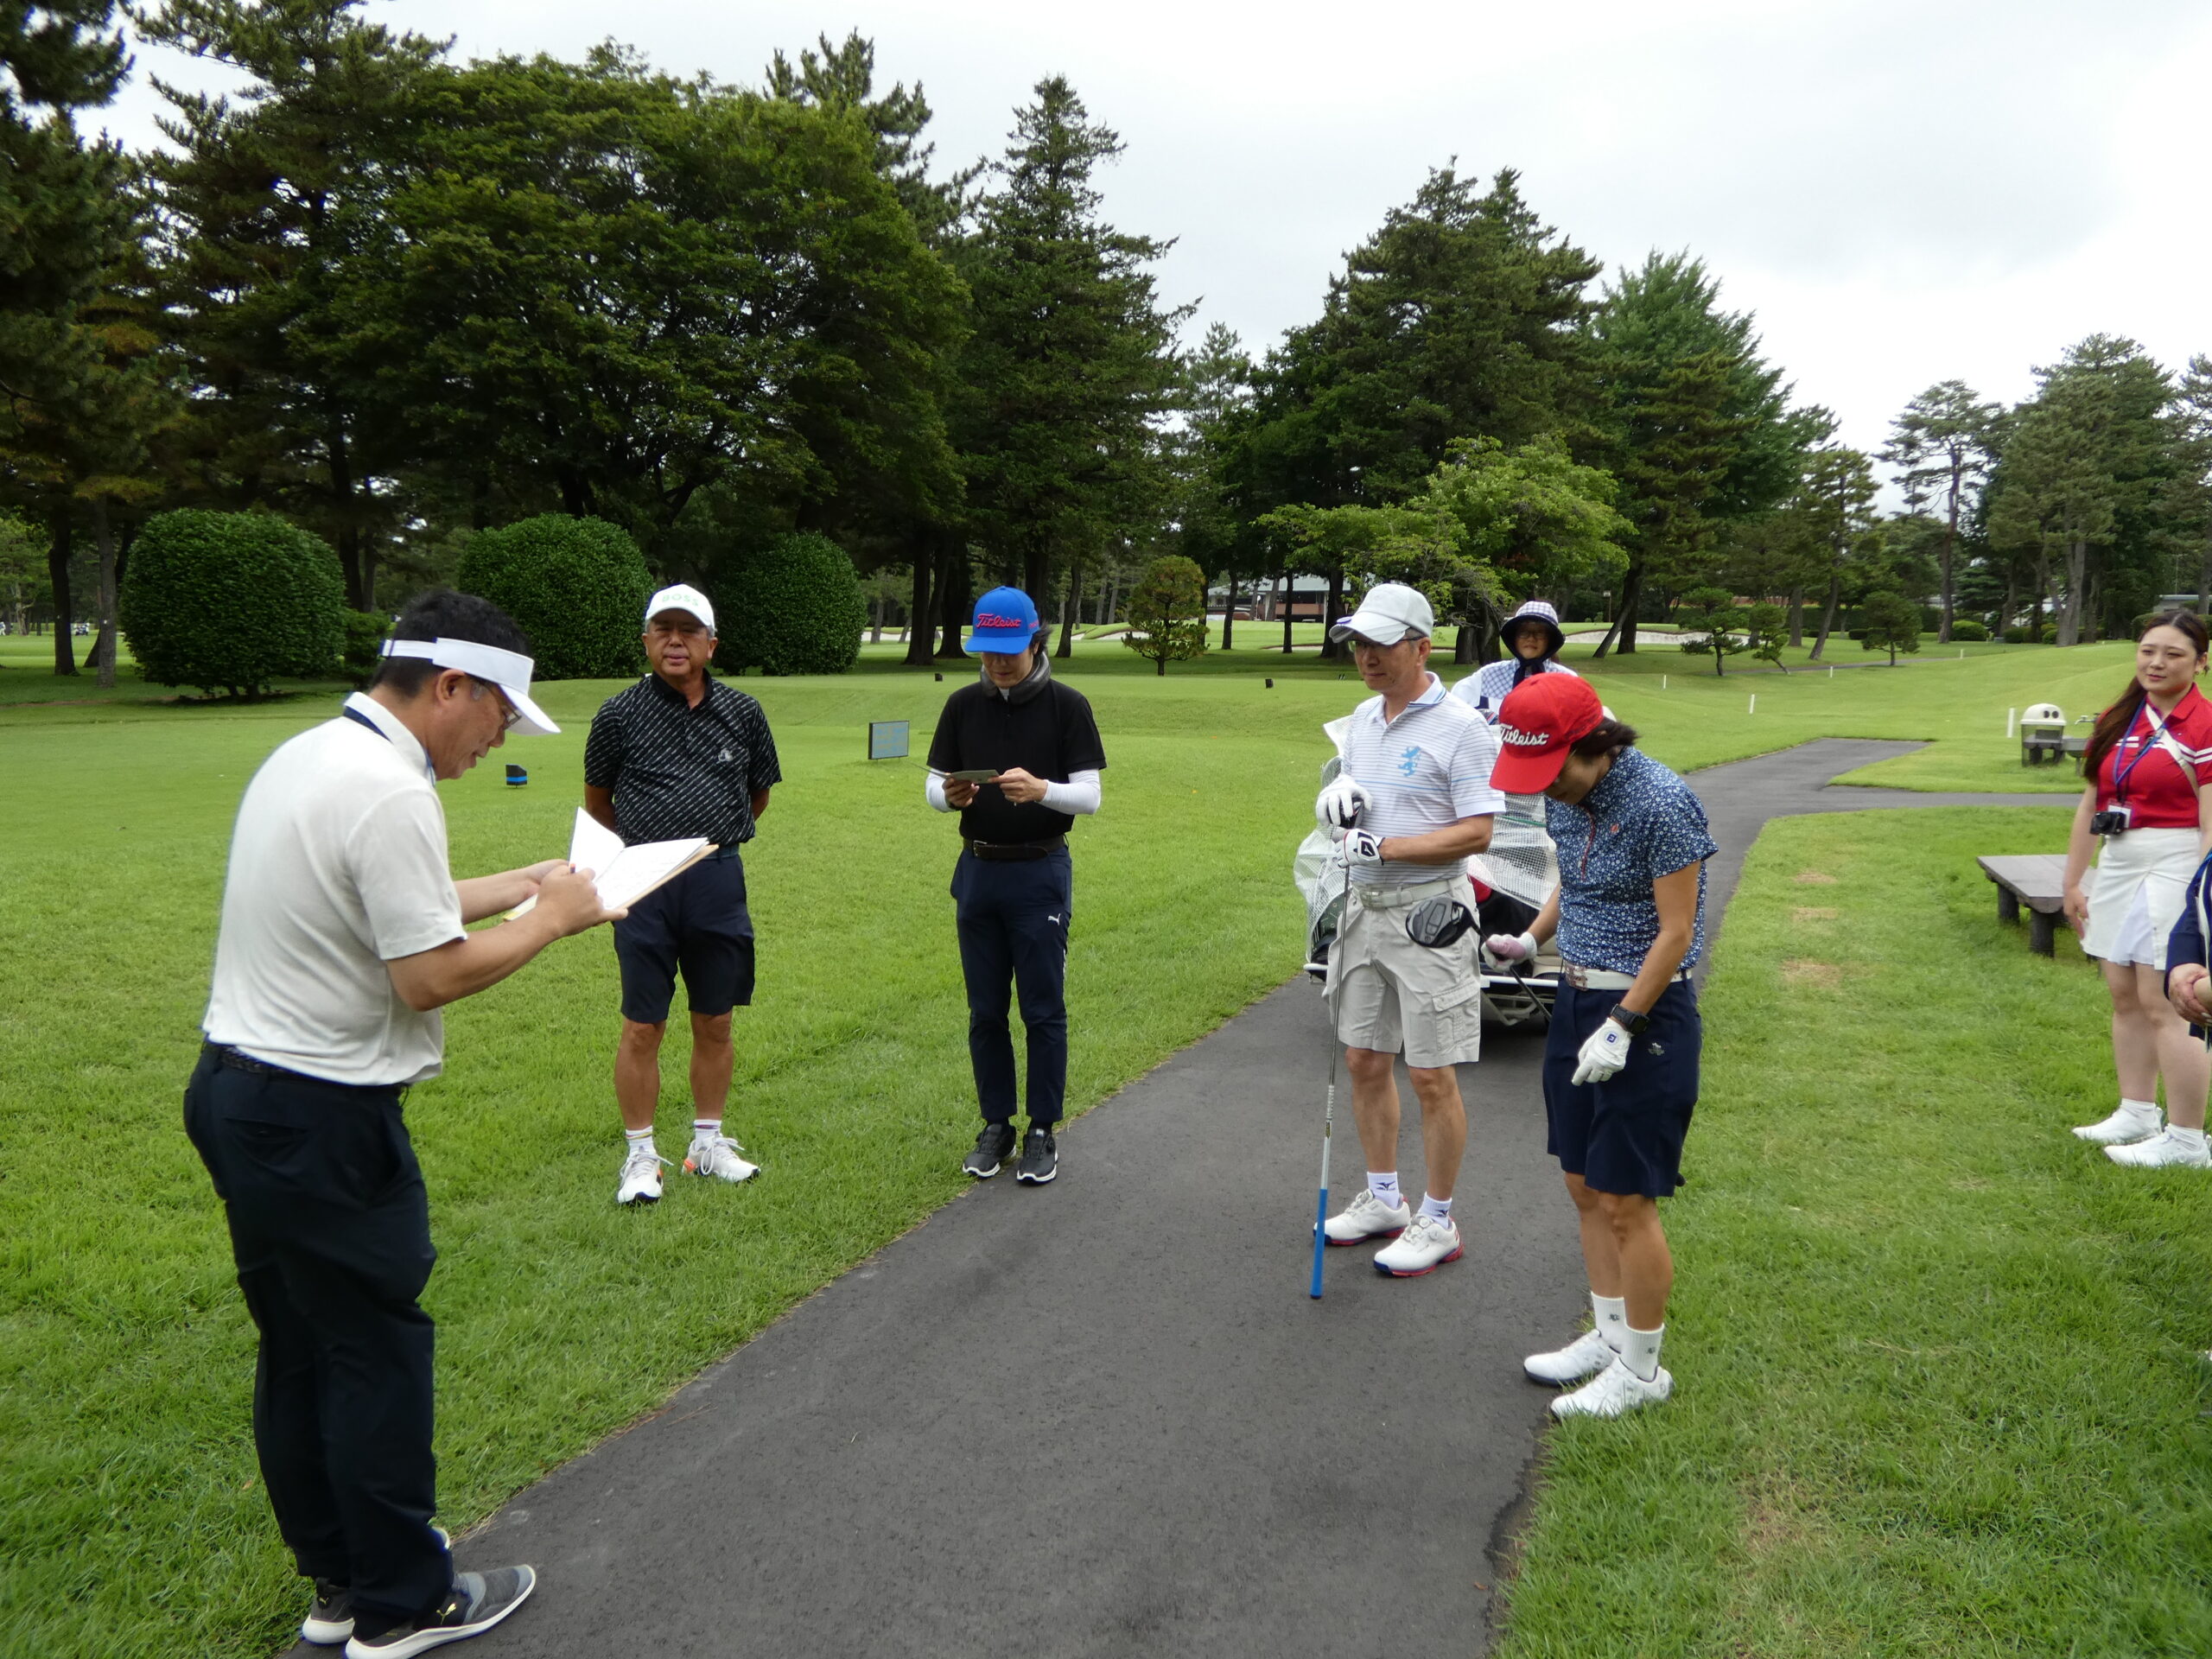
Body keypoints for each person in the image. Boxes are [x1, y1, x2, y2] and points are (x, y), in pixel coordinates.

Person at [188, 590, 619, 1654]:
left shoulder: (312, 753)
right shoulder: (389, 790)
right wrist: (552, 919)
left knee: (302, 1349)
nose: (499, 738)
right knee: (375, 1354)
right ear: (451, 685)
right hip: (321, 1117)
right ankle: (403, 1605)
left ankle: (340, 1582)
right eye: (500, 714)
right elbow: (427, 975)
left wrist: (520, 882)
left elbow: (388, 902)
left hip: (239, 1095)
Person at [1485, 673, 1716, 1418]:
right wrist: (1531, 939)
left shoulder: (1661, 802)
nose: (1544, 787)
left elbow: (1676, 932)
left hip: (1645, 1015)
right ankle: (1610, 1336)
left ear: (1595, 745)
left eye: (1553, 769)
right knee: (1583, 1183)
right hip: (1576, 999)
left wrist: (1623, 1024)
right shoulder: (1564, 796)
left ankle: (1643, 1372)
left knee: (1626, 1198)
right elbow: (1573, 884)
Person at [1313, 582, 1502, 1277]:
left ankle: (1439, 1219)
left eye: (1382, 645)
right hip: (1364, 908)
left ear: (1422, 648)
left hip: (1430, 915)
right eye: (1359, 644)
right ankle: (1386, 1198)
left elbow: (1478, 832)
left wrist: (1387, 847)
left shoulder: (1463, 728)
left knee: (1430, 1073)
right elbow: (1360, 806)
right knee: (1364, 1059)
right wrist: (1338, 804)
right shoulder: (1363, 719)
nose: (1366, 657)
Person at [584, 583, 783, 1205]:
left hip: (717, 879)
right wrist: (648, 853)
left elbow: (757, 793)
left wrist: (709, 839)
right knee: (643, 1024)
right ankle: (641, 1155)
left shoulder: (743, 712)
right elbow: (599, 802)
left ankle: (707, 1144)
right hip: (643, 882)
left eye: (688, 630)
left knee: (716, 1018)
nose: (675, 641)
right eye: (663, 630)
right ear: (646, 640)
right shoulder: (618, 715)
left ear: (710, 644)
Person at [925, 587, 1106, 1185]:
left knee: (1042, 1008)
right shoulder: (961, 705)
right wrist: (950, 796)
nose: (998, 663)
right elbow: (932, 787)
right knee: (984, 1010)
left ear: (1035, 641)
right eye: (988, 652)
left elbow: (1091, 796)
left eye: (1009, 651)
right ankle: (996, 1125)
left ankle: (1042, 1130)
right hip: (978, 871)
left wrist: (1043, 790)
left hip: (1039, 871)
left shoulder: (1067, 705)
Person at [2062, 610, 2212, 1164]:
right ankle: (2136, 1111)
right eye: (2148, 650)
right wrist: (2073, 880)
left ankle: (2187, 1139)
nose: (2156, 662)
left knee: (2167, 1001)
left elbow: (2210, 822)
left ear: (2201, 663)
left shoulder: (2205, 725)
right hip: (2119, 860)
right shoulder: (2118, 718)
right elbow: (2090, 804)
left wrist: (2203, 895)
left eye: (2173, 654)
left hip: (2177, 863)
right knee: (2123, 994)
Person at [1450, 599, 1579, 721]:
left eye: (1540, 633)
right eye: (1524, 632)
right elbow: (1455, 708)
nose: (1531, 638)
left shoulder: (1567, 680)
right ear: (1514, 637)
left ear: (1551, 640)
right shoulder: (1489, 676)